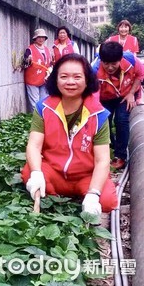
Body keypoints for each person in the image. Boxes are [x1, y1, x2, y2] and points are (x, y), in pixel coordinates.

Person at [22, 53, 118, 215]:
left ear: (87, 80)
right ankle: (53, 195)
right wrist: (37, 173)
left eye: (77, 77)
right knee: (29, 173)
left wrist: (93, 193)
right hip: (54, 171)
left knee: (107, 201)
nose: (70, 82)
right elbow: (34, 145)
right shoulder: (44, 108)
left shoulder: (98, 114)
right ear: (56, 79)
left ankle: (86, 195)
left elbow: (102, 160)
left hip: (85, 175)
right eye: (64, 76)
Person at [92, 41, 144, 169]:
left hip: (124, 95)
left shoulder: (132, 61)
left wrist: (132, 93)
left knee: (121, 120)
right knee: (103, 120)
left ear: (120, 59)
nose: (110, 67)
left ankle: (120, 156)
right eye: (106, 63)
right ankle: (109, 146)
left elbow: (139, 75)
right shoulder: (94, 70)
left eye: (114, 63)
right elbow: (94, 96)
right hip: (104, 97)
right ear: (101, 60)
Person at [24, 28, 52, 112]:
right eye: (39, 37)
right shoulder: (30, 49)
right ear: (35, 38)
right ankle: (37, 121)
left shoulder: (47, 49)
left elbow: (50, 63)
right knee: (35, 103)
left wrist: (50, 69)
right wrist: (28, 60)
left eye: (43, 37)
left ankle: (44, 119)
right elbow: (25, 63)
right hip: (33, 79)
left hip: (44, 79)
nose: (41, 39)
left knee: (44, 101)